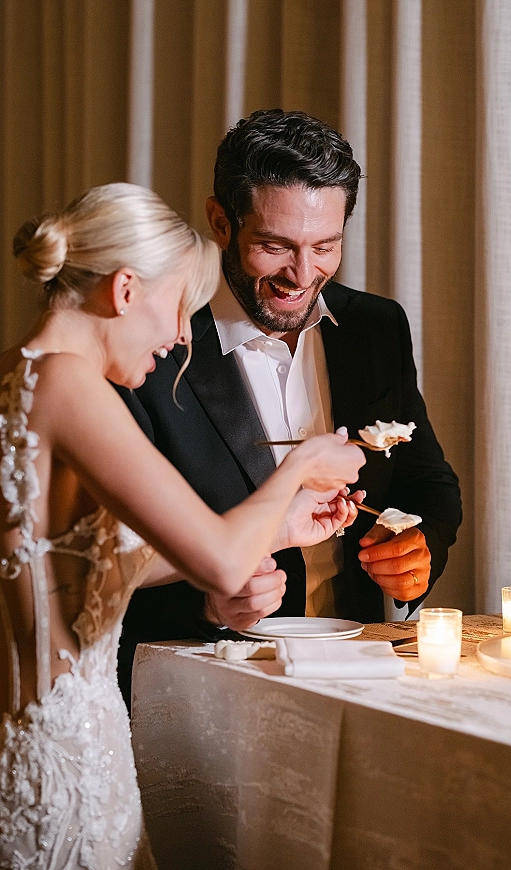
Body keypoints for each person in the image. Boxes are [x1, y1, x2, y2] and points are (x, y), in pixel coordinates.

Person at [0, 182, 365, 869]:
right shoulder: (68, 383)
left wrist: (281, 528)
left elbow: (67, 569)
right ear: (126, 290)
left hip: (46, 748)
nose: (176, 338)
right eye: (177, 309)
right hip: (61, 763)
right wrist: (304, 465)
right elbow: (224, 566)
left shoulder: (16, 375)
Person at [118, 109, 462, 699]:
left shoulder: (376, 328)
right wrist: (207, 602)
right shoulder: (152, 343)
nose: (303, 275)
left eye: (325, 246)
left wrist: (416, 549)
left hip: (355, 676)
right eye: (275, 247)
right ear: (220, 221)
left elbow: (426, 482)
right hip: (199, 691)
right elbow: (101, 555)